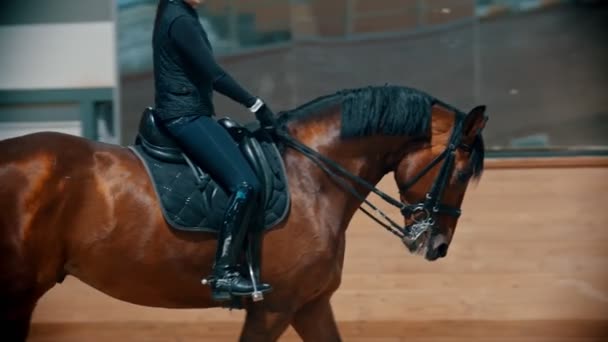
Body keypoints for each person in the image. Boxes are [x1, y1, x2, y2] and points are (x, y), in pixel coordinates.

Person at [152, 0, 275, 300]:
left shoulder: (179, 13)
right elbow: (213, 74)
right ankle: (224, 273)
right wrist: (255, 104)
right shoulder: (179, 18)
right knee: (246, 185)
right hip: (185, 116)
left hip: (190, 112)